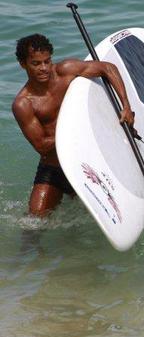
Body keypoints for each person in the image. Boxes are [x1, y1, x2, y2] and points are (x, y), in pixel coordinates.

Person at [12, 33, 135, 217]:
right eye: (36, 64)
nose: (44, 68)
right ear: (23, 64)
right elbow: (42, 146)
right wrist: (76, 125)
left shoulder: (65, 70)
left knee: (98, 218)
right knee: (34, 223)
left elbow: (107, 68)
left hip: (88, 162)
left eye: (47, 61)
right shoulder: (24, 104)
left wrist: (125, 105)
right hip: (54, 168)